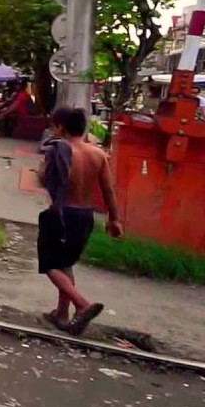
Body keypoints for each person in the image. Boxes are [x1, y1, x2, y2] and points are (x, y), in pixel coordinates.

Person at [37, 106, 122, 336]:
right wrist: (115, 219)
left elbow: (44, 180)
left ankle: (82, 305)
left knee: (50, 264)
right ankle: (62, 314)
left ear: (60, 127)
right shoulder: (98, 154)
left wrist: (45, 162)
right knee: (66, 264)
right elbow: (108, 189)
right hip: (85, 216)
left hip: (62, 213)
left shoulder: (59, 150)